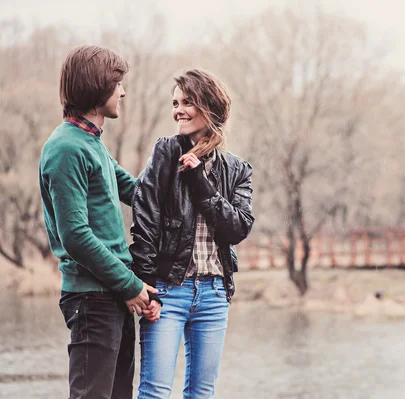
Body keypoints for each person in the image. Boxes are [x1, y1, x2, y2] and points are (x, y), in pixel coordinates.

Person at [38, 45, 159, 399]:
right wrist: (130, 285)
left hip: (113, 293)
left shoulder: (91, 144)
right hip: (92, 297)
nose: (122, 91)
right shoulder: (65, 148)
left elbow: (137, 192)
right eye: (117, 83)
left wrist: (189, 174)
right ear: (97, 86)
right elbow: (74, 236)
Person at [130, 68, 254, 398]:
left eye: (188, 102)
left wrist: (200, 181)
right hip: (169, 291)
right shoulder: (166, 153)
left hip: (214, 293)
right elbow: (145, 219)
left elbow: (238, 228)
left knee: (201, 394)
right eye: (175, 103)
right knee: (154, 392)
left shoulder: (237, 170)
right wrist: (147, 287)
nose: (178, 110)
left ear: (210, 107)